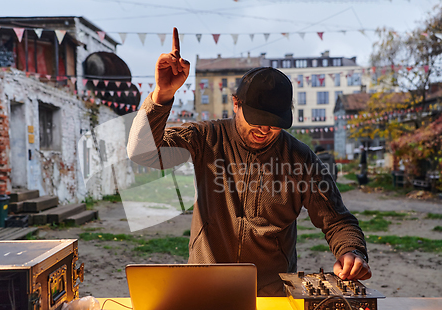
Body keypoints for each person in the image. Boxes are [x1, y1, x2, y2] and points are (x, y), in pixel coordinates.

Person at [127, 28, 371, 296]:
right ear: (235, 104)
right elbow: (143, 153)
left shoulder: (301, 160)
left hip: (273, 292)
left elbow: (337, 220)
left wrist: (352, 251)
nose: (264, 130)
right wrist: (161, 96)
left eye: (274, 124)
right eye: (256, 119)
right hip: (206, 285)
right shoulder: (205, 138)